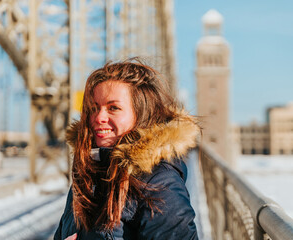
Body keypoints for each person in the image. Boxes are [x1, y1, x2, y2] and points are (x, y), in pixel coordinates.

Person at [54, 58, 200, 240]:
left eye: (113, 108)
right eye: (93, 108)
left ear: (142, 114)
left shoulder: (160, 183)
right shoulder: (90, 173)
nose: (99, 117)